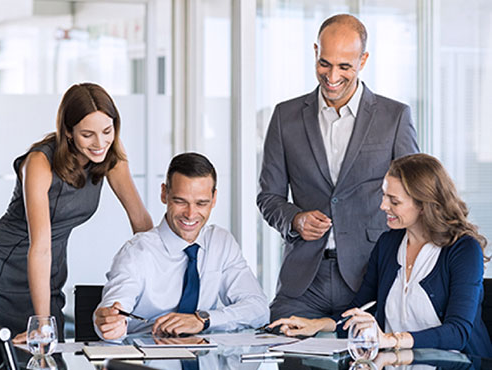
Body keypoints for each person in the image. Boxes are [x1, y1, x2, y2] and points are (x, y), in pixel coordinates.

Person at [257, 13, 419, 321]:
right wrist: (295, 219)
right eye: (325, 63)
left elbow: (415, 197)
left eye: (344, 66)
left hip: (371, 276)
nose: (332, 76)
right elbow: (268, 197)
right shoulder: (284, 117)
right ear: (315, 52)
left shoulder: (394, 117)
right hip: (303, 282)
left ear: (363, 60)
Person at [0, 83, 153, 342]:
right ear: (68, 131)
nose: (100, 143)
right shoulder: (40, 163)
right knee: (18, 354)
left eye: (107, 131)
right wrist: (42, 322)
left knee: (50, 355)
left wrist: (159, 281)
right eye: (88, 134)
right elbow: (39, 246)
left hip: (48, 273)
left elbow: (140, 220)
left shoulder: (110, 157)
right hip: (3, 273)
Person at [269, 153, 492, 357]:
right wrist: (317, 324)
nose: (383, 206)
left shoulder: (463, 250)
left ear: (424, 205)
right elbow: (361, 308)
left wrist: (388, 340)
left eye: (394, 201)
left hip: (457, 363)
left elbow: (458, 332)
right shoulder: (388, 243)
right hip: (395, 362)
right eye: (384, 195)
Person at [94, 152, 269, 340]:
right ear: (164, 193)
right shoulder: (138, 251)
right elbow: (116, 307)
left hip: (205, 357)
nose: (190, 214)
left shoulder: (220, 243)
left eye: (201, 203)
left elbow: (258, 309)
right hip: (150, 361)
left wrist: (203, 319)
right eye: (180, 201)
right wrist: (111, 323)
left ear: (214, 198)